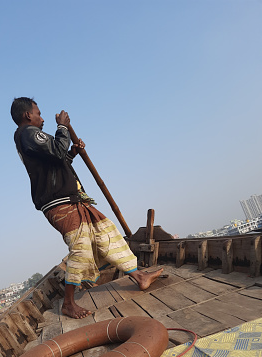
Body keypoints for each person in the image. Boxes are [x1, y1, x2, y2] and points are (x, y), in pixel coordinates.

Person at [11, 97, 163, 319]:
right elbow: (56, 149)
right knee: (81, 247)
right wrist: (62, 126)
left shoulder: (31, 139)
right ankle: (69, 304)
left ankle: (138, 276)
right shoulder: (28, 134)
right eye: (38, 113)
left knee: (106, 232)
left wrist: (72, 152)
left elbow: (58, 160)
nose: (42, 118)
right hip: (60, 204)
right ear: (27, 115)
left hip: (73, 200)